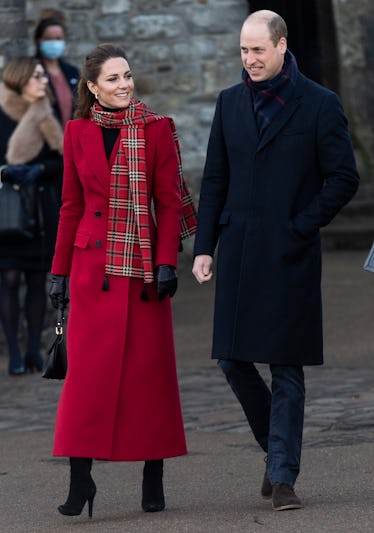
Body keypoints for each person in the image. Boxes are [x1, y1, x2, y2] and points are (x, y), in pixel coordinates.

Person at [192, 10, 359, 511]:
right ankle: (276, 452)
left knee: (286, 366)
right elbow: (215, 179)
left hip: (289, 253)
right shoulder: (229, 103)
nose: (249, 59)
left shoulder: (320, 104)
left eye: (258, 50)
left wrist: (301, 225)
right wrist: (203, 247)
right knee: (231, 360)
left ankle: (283, 475)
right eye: (243, 50)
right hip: (240, 249)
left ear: (282, 46)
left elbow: (343, 178)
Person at [48, 43, 196, 518]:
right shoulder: (77, 133)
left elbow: (169, 203)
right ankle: (80, 480)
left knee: (148, 377)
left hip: (144, 272)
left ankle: (153, 475)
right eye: (113, 79)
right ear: (92, 87)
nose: (125, 85)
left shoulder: (156, 130)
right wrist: (58, 271)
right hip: (92, 269)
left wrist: (168, 260)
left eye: (128, 76)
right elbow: (71, 205)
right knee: (85, 381)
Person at [0, 57, 64, 376]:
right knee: (9, 279)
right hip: (8, 210)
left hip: (40, 208)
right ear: (20, 79)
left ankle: (33, 351)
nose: (44, 81)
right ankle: (13, 350)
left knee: (38, 280)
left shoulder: (45, 114)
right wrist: (6, 170)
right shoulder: (2, 114)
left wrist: (39, 169)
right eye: (37, 76)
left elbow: (63, 161)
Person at [34, 9, 80, 128]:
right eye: (48, 38)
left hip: (70, 140)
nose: (54, 43)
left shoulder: (72, 72)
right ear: (39, 41)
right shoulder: (31, 71)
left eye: (58, 38)